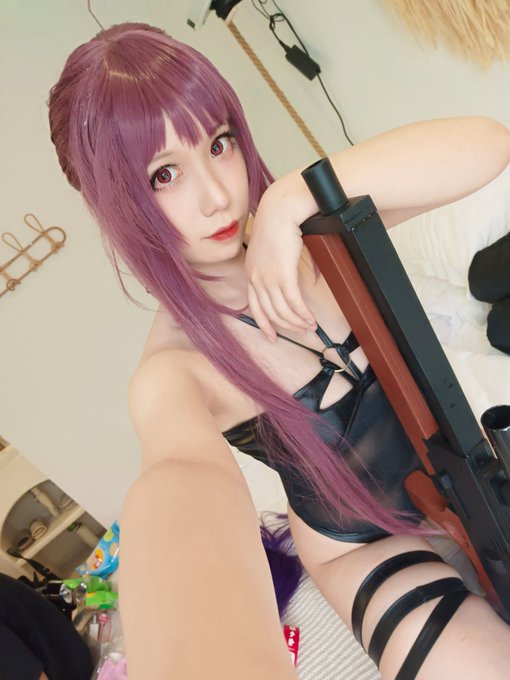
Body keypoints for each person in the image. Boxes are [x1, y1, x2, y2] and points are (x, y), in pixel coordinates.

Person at [48, 22, 510, 680]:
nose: (216, 195)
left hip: (465, 461)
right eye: (164, 174)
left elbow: (488, 145)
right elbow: (178, 496)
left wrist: (295, 193)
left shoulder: (315, 233)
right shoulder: (176, 370)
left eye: (219, 142)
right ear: (119, 202)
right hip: (360, 544)